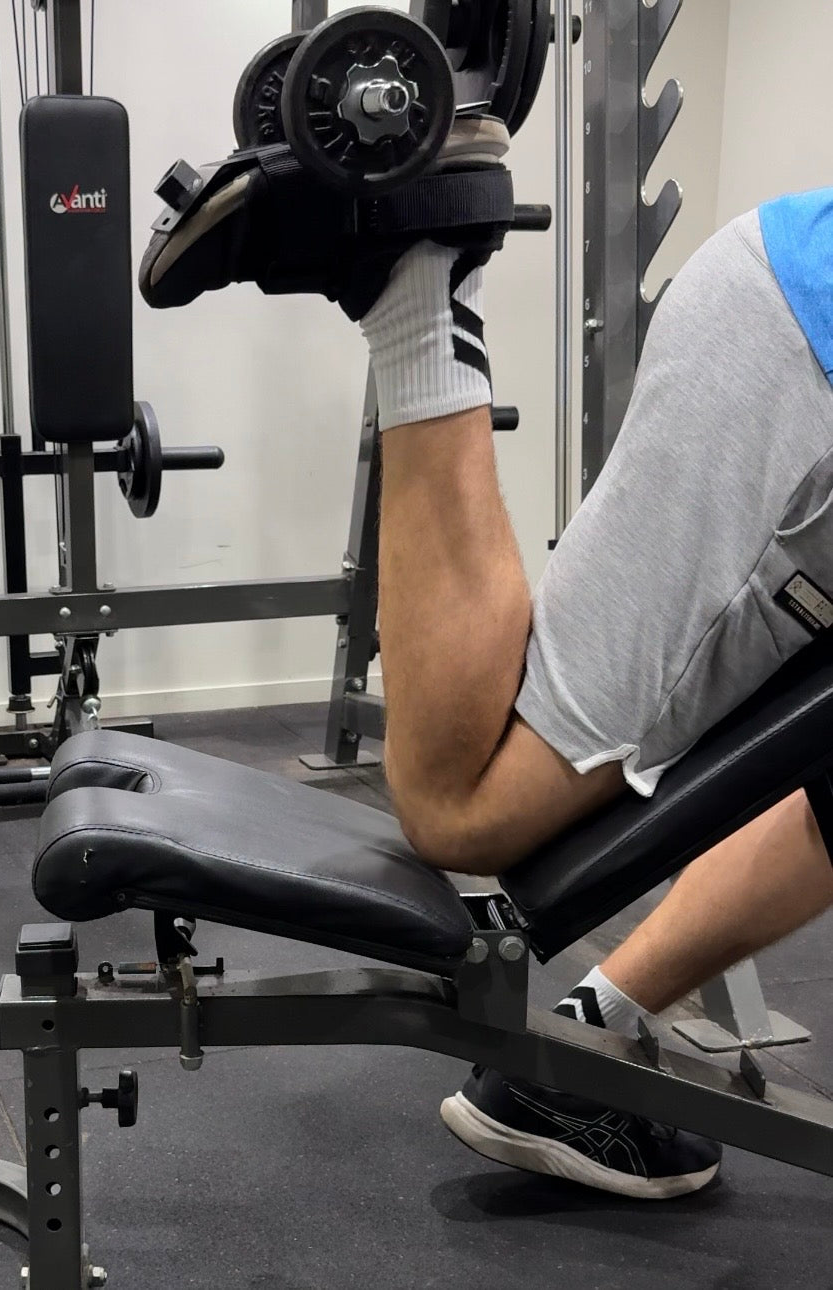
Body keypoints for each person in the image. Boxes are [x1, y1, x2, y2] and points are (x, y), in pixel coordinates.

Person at [140, 108, 833, 1200]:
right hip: (810, 364)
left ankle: (585, 1052)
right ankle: (410, 283)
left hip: (792, 310)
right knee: (462, 805)